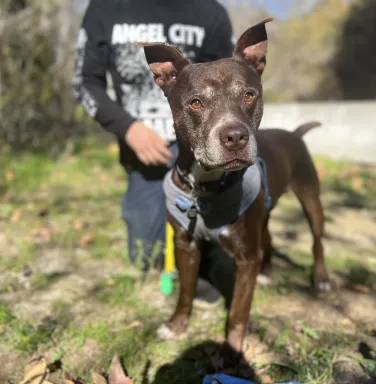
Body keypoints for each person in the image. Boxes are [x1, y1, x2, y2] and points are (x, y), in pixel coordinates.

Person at [73, 0, 236, 307]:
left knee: (210, 227)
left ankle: (204, 263)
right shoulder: (105, 8)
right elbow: (85, 83)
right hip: (141, 151)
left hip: (197, 148)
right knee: (145, 257)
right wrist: (129, 129)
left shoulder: (210, 11)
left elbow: (230, 77)